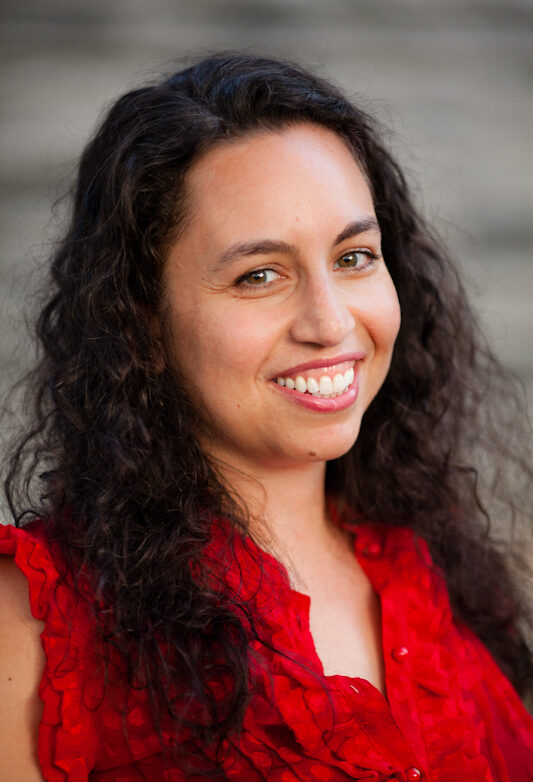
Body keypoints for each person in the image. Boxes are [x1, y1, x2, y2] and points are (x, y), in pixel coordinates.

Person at [0, 52, 532, 782]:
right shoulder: (34, 622)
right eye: (260, 275)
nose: (329, 321)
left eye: (353, 257)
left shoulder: (432, 572)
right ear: (143, 325)